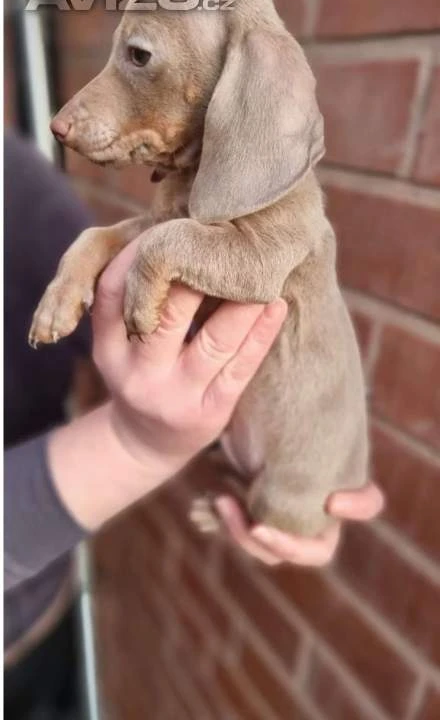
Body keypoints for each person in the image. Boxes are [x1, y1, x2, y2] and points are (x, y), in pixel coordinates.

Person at [4, 132, 384, 718]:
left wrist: (307, 449)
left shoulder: (17, 189)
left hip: (32, 620)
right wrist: (133, 446)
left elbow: (145, 330)